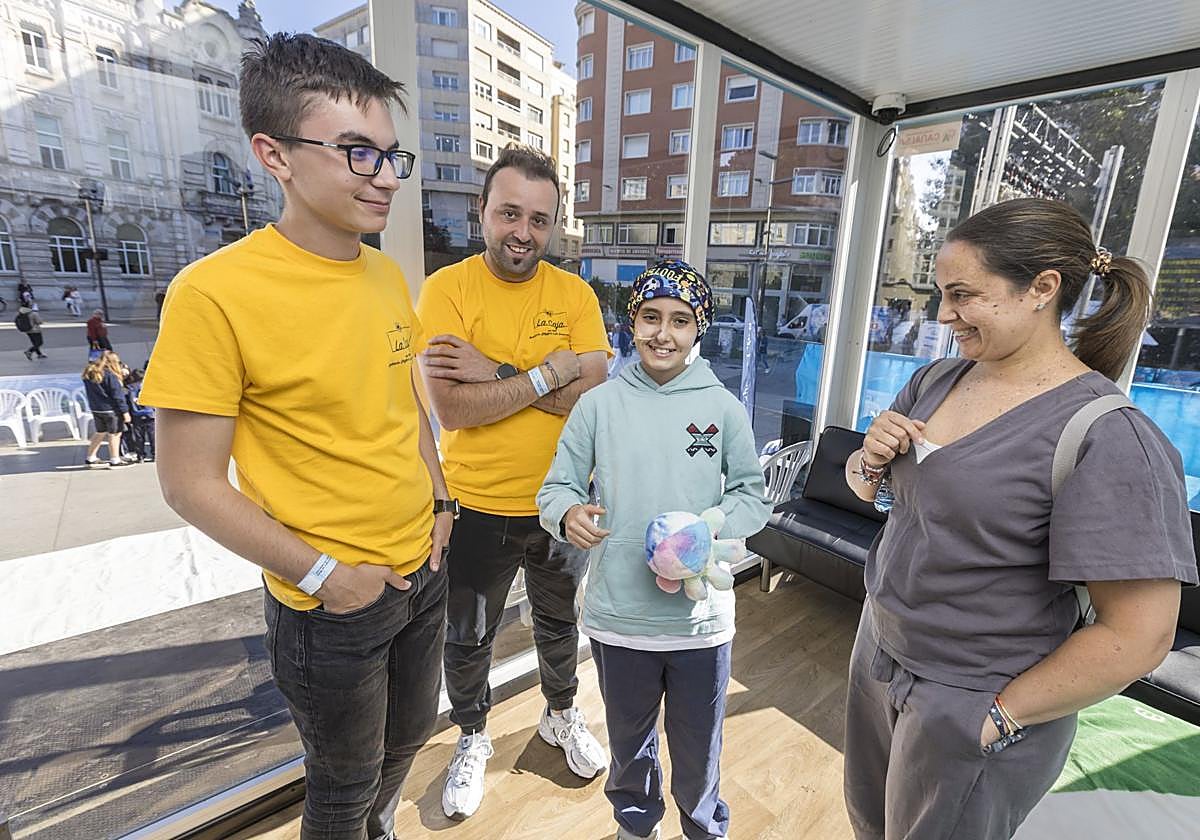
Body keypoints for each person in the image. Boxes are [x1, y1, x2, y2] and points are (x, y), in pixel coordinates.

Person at [138, 34, 452, 840]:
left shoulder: (384, 274)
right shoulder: (214, 293)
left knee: (409, 740)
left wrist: (443, 500)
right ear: (273, 154)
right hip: (331, 603)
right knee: (340, 790)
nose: (384, 178)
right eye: (357, 153)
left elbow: (406, 402)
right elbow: (190, 484)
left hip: (423, 567)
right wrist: (326, 574)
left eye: (390, 155)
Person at [841, 198, 1197, 840]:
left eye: (962, 294)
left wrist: (996, 716)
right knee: (872, 824)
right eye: (941, 294)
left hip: (973, 695)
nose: (942, 313)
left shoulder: (1109, 439)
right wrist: (867, 460)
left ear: (1042, 288)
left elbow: (1139, 637)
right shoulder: (935, 381)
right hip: (880, 652)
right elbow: (877, 498)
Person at [538, 260, 771, 840]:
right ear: (631, 323)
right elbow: (557, 486)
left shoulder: (722, 409)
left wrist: (707, 532)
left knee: (699, 742)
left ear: (699, 330)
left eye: (679, 320)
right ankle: (636, 826)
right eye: (649, 317)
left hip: (699, 621)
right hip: (620, 618)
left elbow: (752, 496)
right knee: (629, 741)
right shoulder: (599, 405)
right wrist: (567, 513)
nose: (662, 333)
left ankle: (701, 826)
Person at [416, 145, 612, 820]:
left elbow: (595, 402)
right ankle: (473, 735)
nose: (522, 232)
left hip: (564, 503)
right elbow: (451, 408)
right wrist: (550, 373)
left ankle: (560, 714)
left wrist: (494, 372)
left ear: (554, 224)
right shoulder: (447, 290)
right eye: (508, 213)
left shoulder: (576, 295)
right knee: (468, 637)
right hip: (472, 507)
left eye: (538, 218)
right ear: (482, 213)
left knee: (561, 624)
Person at [83, 351, 134, 467]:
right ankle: (115, 459)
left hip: (97, 409)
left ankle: (90, 457)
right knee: (115, 434)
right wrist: (125, 412)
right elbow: (118, 396)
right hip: (111, 410)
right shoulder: (110, 376)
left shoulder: (90, 373)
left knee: (100, 432)